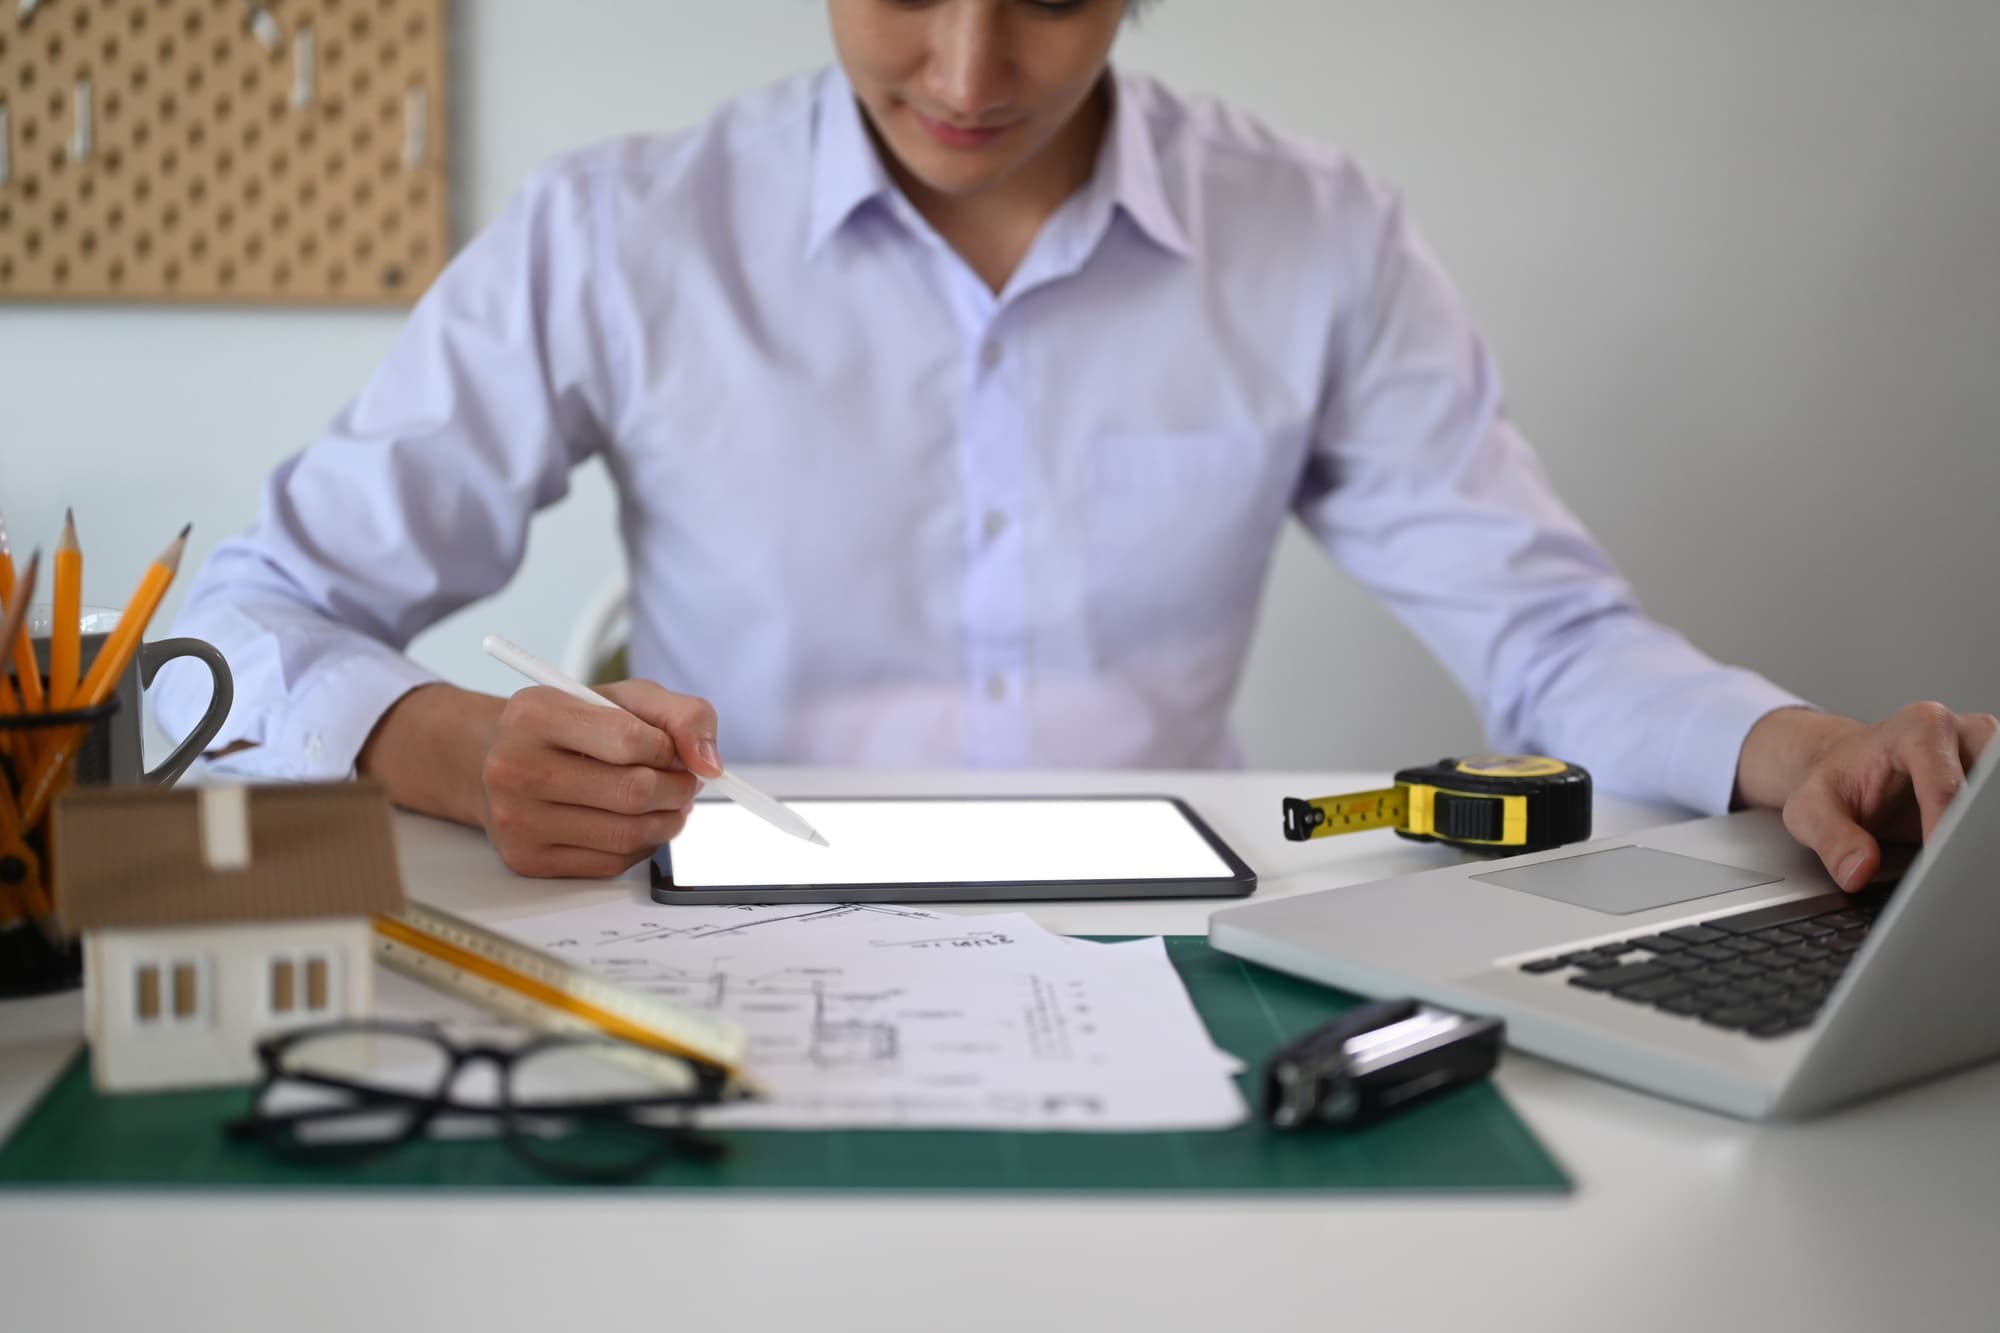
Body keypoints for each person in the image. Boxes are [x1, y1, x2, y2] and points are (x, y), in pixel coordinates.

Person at [158, 0, 1993, 888]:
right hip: (723, 936)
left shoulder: (1318, 237)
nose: (967, 74)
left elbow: (1551, 636)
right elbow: (226, 631)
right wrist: (444, 740)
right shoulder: (613, 236)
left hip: (1193, 939)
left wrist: (1792, 743)